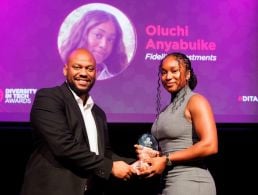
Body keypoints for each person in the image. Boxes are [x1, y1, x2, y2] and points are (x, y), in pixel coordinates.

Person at [20, 48, 135, 195]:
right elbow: (64, 146)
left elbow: (103, 154)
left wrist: (135, 163)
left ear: (97, 73)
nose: (83, 73)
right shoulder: (48, 98)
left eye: (90, 68)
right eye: (77, 67)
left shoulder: (98, 113)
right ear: (65, 70)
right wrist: (110, 167)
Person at [135, 52, 218, 195]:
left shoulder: (196, 101)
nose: (168, 77)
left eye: (174, 71)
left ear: (187, 74)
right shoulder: (167, 109)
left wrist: (166, 159)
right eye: (163, 72)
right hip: (168, 183)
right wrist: (153, 156)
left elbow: (210, 145)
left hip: (191, 182)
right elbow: (170, 150)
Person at [60, 10, 128, 80]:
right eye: (98, 35)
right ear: (83, 34)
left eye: (110, 39)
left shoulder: (116, 78)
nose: (103, 45)